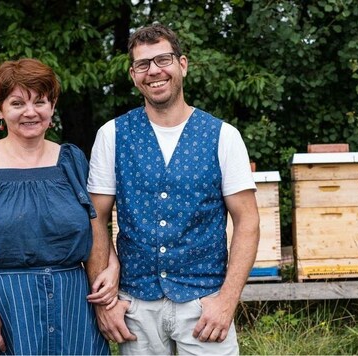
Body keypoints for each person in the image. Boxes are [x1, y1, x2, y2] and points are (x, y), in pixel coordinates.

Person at [87, 23, 260, 355]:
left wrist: (226, 300)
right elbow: (96, 216)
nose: (154, 71)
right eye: (143, 64)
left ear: (182, 64)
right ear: (133, 75)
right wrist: (105, 300)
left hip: (204, 303)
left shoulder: (223, 136)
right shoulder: (112, 135)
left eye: (162, 59)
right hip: (137, 305)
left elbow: (248, 222)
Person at [0, 58, 111, 355]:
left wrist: (110, 273)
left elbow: (96, 227)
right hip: (2, 308)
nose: (30, 112)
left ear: (52, 105)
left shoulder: (72, 161)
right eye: (17, 103)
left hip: (72, 307)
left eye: (40, 101)